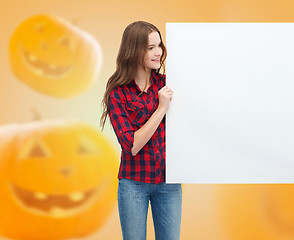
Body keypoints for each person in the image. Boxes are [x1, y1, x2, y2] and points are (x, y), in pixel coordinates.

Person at [100, 21, 182, 240]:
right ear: (134, 50)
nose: (159, 52)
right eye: (151, 47)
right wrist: (161, 108)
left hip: (168, 182)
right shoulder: (118, 93)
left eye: (159, 46)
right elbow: (132, 145)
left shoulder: (166, 85)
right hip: (133, 184)